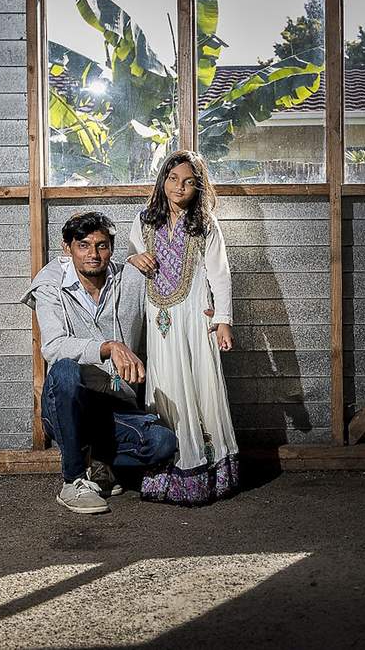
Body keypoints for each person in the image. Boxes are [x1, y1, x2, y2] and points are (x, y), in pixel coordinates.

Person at [22, 211, 178, 514]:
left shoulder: (129, 278)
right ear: (67, 248)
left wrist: (214, 314)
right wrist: (107, 347)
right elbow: (53, 346)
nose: (93, 254)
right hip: (70, 404)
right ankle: (74, 480)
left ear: (112, 248)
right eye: (83, 245)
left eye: (102, 246)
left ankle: (99, 460)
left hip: (114, 405)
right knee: (65, 368)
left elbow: (171, 303)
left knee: (163, 443)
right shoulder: (50, 287)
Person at [126, 151, 241, 505]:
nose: (180, 187)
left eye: (189, 182)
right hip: (159, 323)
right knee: (166, 388)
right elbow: (131, 255)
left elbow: (220, 274)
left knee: (198, 386)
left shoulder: (205, 223)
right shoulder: (144, 220)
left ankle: (204, 471)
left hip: (195, 320)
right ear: (163, 181)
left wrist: (223, 320)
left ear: (198, 187)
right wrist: (133, 257)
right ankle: (166, 471)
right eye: (174, 179)